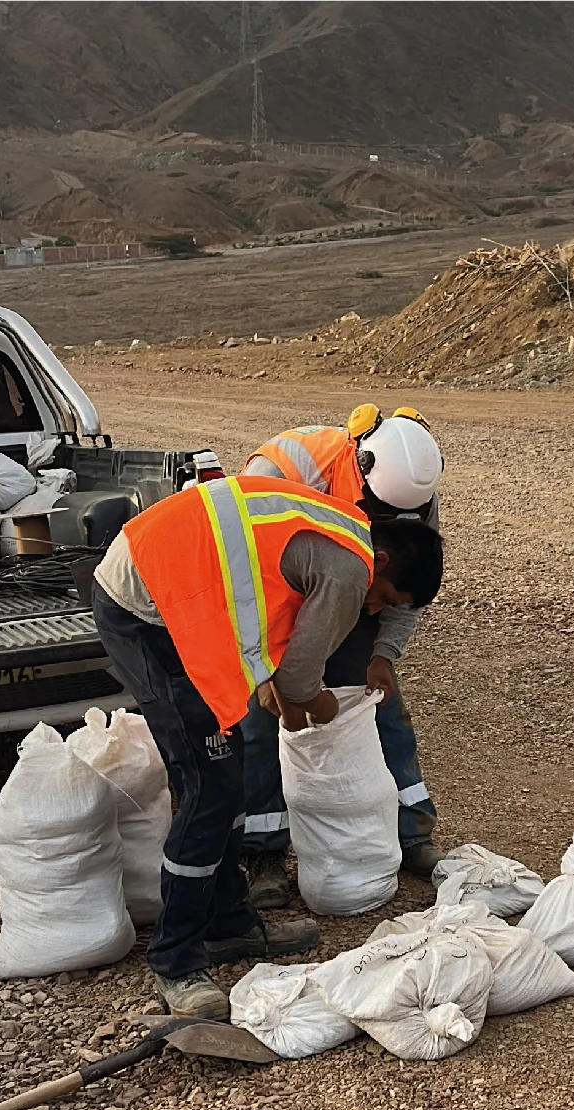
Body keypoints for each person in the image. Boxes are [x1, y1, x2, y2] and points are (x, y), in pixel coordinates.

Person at [92, 473, 444, 1020]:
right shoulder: (351, 570)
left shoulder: (342, 533)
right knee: (208, 788)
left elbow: (265, 607)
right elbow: (303, 677)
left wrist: (273, 681)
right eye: (384, 599)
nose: (373, 612)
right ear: (379, 562)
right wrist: (318, 704)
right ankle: (175, 960)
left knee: (227, 770)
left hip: (180, 593)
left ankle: (228, 922)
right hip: (147, 608)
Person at [238, 405, 448, 904]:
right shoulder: (285, 473)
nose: (390, 523)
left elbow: (409, 586)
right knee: (260, 720)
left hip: (356, 585)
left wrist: (384, 653)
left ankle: (411, 833)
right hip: (276, 598)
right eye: (381, 515)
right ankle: (265, 853)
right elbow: (245, 578)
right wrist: (264, 668)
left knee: (380, 706)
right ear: (362, 469)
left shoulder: (413, 496)